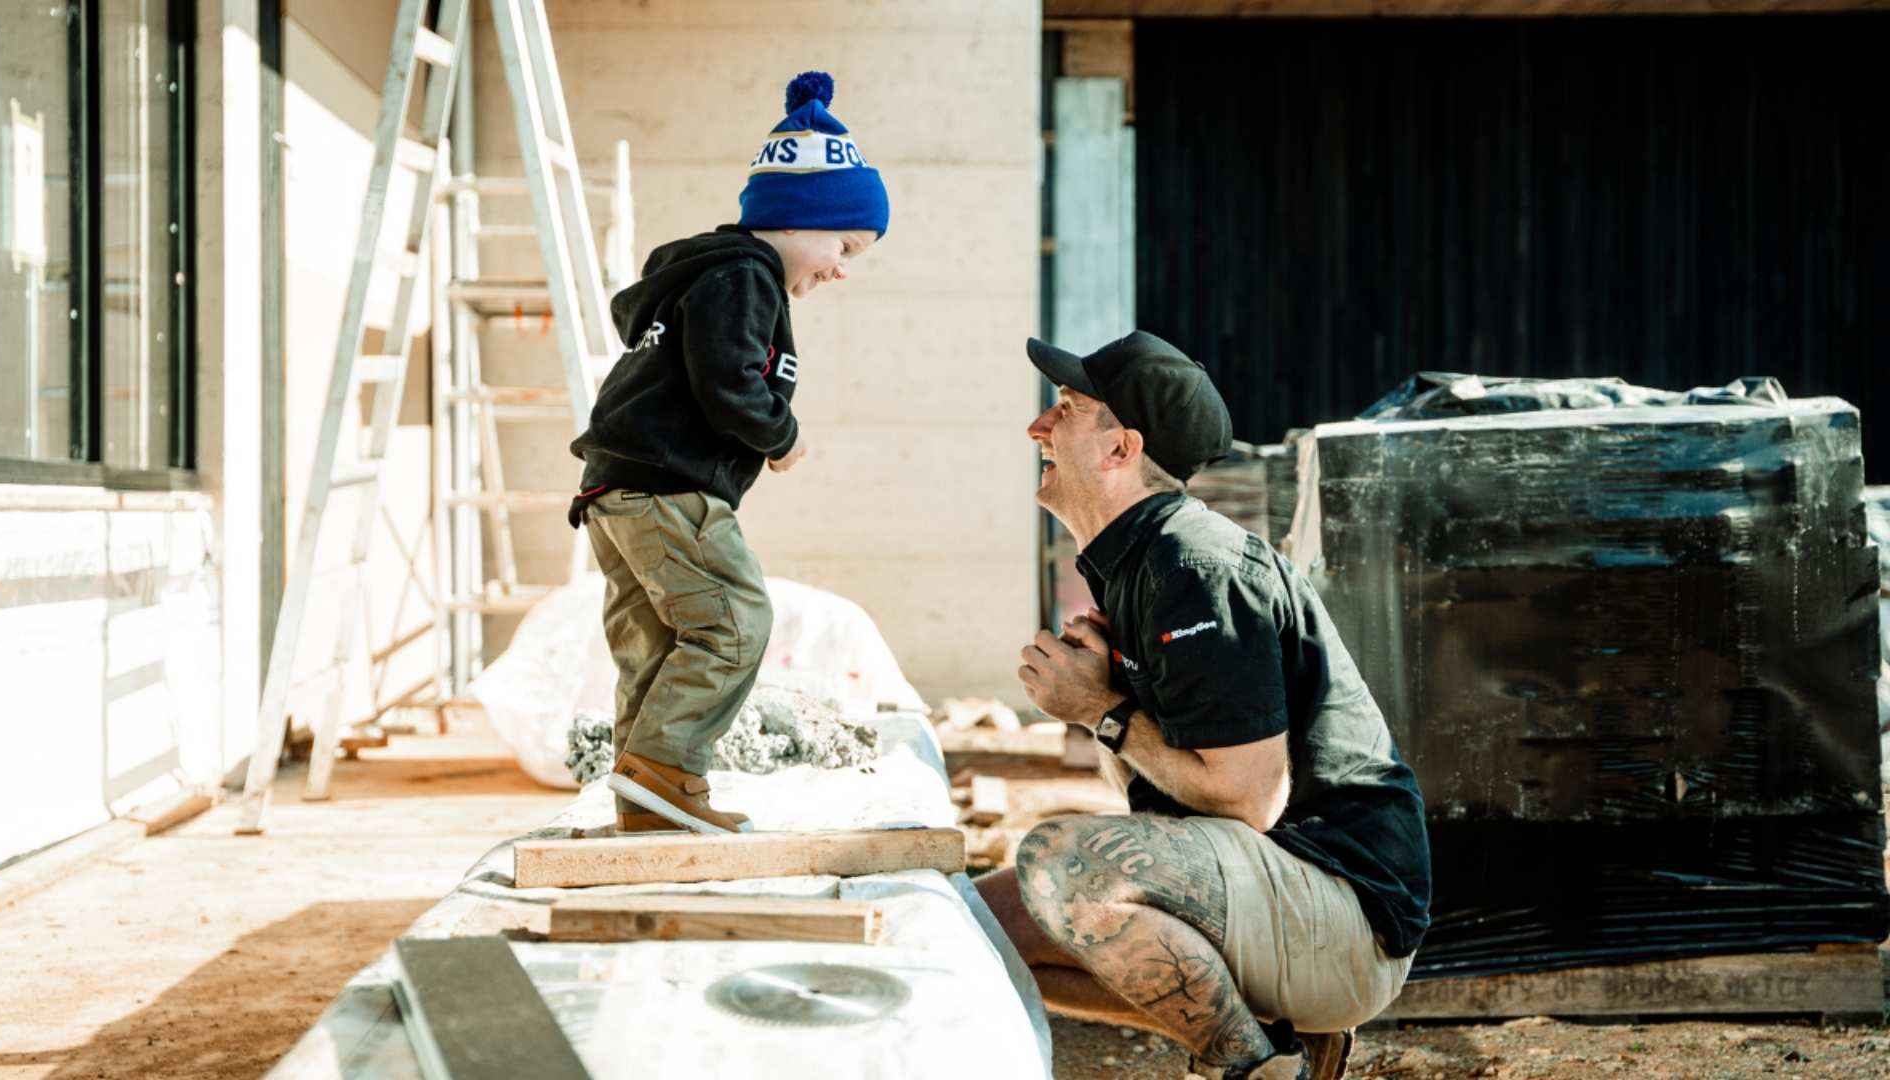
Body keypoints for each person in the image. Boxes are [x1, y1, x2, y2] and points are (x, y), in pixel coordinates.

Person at [977, 331, 1432, 1080]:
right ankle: (1274, 1036)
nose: (1038, 427)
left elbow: (1250, 796)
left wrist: (1104, 712)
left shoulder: (1194, 568)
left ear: (1121, 449)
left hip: (1346, 918)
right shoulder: (1143, 563)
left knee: (1061, 861)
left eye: (1064, 408)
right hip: (1281, 899)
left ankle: (1243, 1065)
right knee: (973, 925)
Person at [564, 71, 887, 834]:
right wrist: (781, 433)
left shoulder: (706, 278)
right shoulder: (744, 276)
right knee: (735, 621)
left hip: (615, 488)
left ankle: (647, 798)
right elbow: (728, 381)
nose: (842, 267)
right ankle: (668, 771)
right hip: (669, 489)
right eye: (843, 244)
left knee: (656, 641)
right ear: (794, 217)